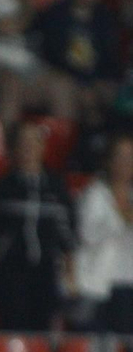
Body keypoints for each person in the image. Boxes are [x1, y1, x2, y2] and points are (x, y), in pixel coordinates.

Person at [0, 121, 75, 332]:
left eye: (34, 142)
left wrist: (70, 276)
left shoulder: (57, 188)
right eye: (23, 142)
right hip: (11, 272)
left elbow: (67, 236)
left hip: (47, 272)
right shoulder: (1, 188)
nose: (28, 148)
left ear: (43, 147)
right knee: (12, 330)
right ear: (14, 148)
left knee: (43, 335)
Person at [73, 133, 133, 332]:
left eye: (130, 157)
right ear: (109, 160)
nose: (126, 163)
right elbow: (87, 234)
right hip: (95, 284)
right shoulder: (94, 194)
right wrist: (121, 217)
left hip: (127, 284)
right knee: (93, 343)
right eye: (120, 156)